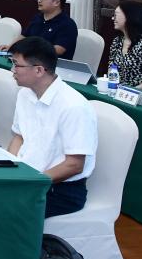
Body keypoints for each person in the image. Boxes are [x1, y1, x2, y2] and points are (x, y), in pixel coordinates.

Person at [8, 37, 98, 217]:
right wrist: (8, 168)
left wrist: (32, 183)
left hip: (60, 189)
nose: (12, 70)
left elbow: (74, 165)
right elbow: (19, 136)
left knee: (1, 210)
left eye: (16, 65)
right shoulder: (25, 94)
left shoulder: (73, 106)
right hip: (28, 176)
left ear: (39, 70)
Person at [5, 0, 77, 57]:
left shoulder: (67, 24)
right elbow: (24, 36)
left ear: (57, 2)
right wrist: (11, 47)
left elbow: (59, 50)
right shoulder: (38, 18)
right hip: (30, 59)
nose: (39, 1)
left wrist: (29, 50)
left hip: (52, 62)